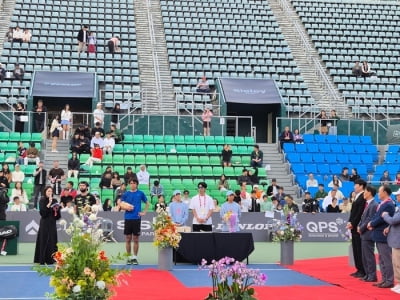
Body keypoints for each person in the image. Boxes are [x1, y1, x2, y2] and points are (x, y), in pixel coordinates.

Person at [368, 185, 395, 288]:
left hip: (383, 235)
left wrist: (371, 224)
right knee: (381, 259)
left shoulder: (388, 204)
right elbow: (377, 216)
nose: (378, 193)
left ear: (385, 192)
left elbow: (381, 219)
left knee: (386, 258)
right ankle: (384, 279)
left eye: (380, 191)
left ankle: (389, 280)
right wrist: (372, 222)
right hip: (379, 234)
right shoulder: (383, 204)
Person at [120, 179, 148, 265]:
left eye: (134, 183)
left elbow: (147, 203)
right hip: (128, 218)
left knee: (136, 239)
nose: (132, 185)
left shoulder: (140, 193)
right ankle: (128, 258)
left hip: (136, 218)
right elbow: (120, 204)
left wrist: (144, 212)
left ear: (137, 184)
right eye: (131, 183)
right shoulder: (126, 194)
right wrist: (125, 208)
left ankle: (135, 257)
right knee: (128, 238)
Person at [33, 186, 61, 265]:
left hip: (52, 223)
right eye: (48, 191)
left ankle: (52, 259)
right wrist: (49, 204)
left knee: (52, 240)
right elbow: (43, 213)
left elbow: (57, 216)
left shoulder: (55, 200)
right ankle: (42, 259)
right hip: (44, 223)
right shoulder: (42, 200)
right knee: (44, 240)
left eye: (51, 191)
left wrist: (57, 210)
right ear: (45, 192)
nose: (49, 193)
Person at [347, 179, 367, 279]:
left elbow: (360, 213)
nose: (354, 186)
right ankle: (358, 269)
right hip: (353, 226)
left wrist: (353, 223)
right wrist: (349, 221)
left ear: (361, 186)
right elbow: (353, 211)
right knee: (355, 248)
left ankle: (362, 270)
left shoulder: (363, 197)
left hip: (358, 226)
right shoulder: (356, 196)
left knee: (359, 248)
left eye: (356, 185)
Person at [357, 185, 378, 283]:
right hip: (364, 233)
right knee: (365, 255)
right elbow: (364, 218)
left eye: (365, 191)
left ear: (369, 192)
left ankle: (372, 275)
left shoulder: (373, 204)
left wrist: (361, 228)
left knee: (369, 256)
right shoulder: (368, 204)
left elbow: (370, 218)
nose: (363, 193)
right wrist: (359, 226)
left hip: (368, 233)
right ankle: (367, 274)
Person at [382, 192, 400, 294]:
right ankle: (399, 283)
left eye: (398, 195)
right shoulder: (398, 207)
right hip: (396, 239)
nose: (396, 196)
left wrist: (385, 215)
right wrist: (388, 227)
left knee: (398, 263)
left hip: (398, 240)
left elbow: (394, 220)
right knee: (396, 263)